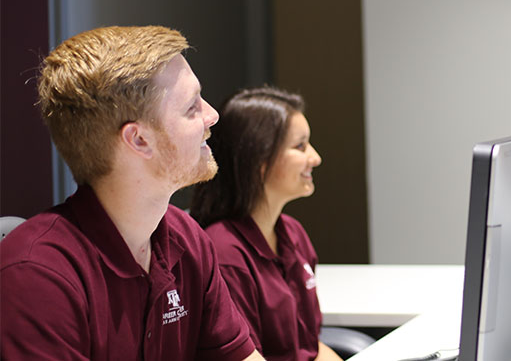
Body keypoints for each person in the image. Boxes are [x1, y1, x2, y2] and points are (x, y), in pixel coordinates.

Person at [0, 26, 265, 361]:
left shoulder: (187, 240)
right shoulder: (37, 275)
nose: (212, 116)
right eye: (192, 107)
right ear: (139, 140)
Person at [190, 87, 342, 361]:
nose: (315, 158)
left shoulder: (293, 233)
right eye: (300, 146)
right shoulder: (225, 253)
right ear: (259, 158)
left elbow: (310, 346)